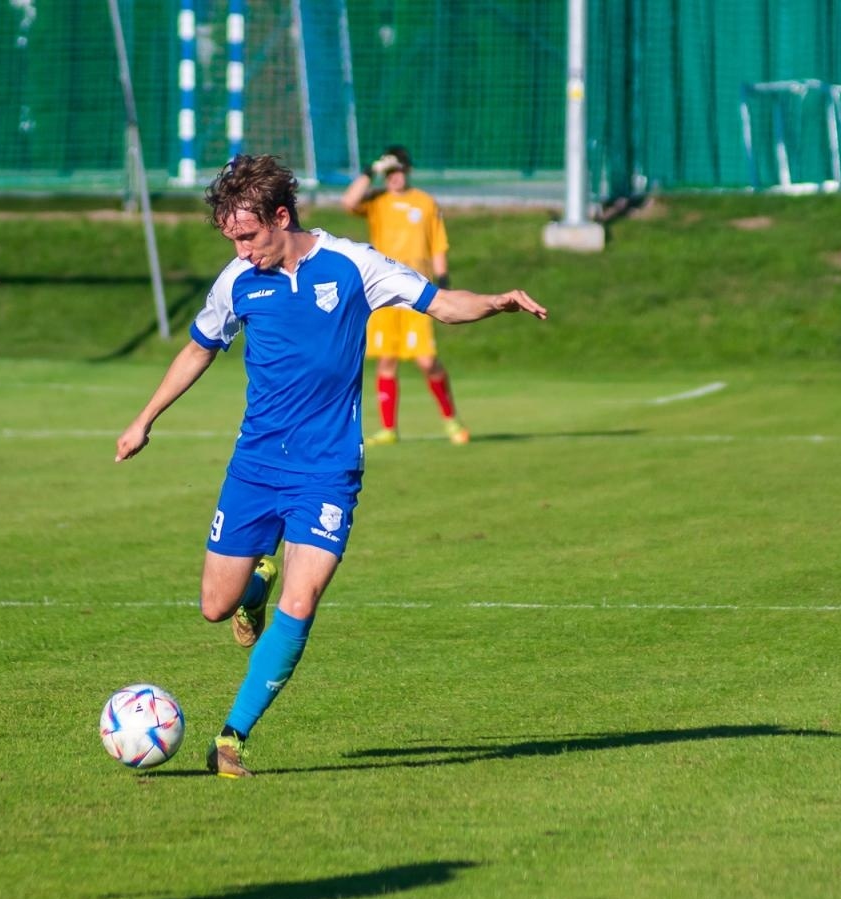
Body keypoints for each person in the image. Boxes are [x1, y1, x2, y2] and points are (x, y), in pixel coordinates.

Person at [115, 154, 546, 777]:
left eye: (247, 235)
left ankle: (231, 737)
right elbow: (199, 348)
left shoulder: (353, 266)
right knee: (215, 605)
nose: (239, 249)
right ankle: (252, 585)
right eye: (231, 238)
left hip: (328, 469)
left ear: (280, 217)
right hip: (256, 465)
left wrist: (497, 302)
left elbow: (441, 303)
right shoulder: (237, 282)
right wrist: (144, 418)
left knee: (306, 595)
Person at [340, 145, 467, 446]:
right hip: (382, 293)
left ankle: (451, 420)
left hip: (417, 291)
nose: (395, 177)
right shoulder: (377, 201)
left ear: (408, 171)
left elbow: (437, 244)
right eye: (390, 172)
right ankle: (388, 429)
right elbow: (348, 201)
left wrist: (444, 282)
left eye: (399, 171)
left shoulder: (424, 203)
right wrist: (372, 170)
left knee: (427, 360)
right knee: (387, 360)